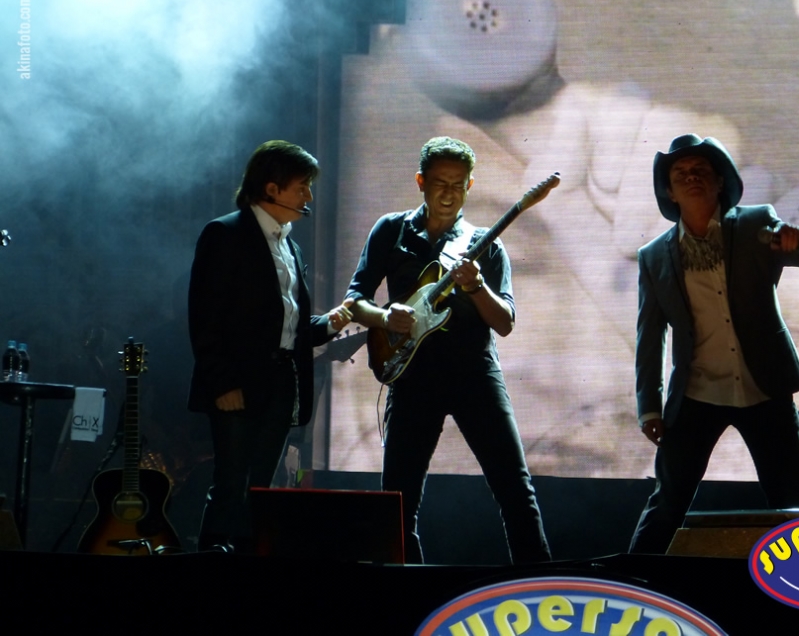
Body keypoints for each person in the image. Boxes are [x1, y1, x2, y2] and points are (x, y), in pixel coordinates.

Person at [345, 136, 551, 564]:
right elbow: (355, 300)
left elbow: (505, 322)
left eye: (458, 185)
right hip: (412, 378)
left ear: (470, 186)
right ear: (420, 181)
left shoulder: (485, 244)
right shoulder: (391, 230)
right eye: (440, 182)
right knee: (398, 502)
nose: (449, 193)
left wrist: (476, 286)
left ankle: (540, 585)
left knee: (516, 491)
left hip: (475, 375)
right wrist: (384, 317)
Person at [630, 134, 799, 554]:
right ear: (669, 192)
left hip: (763, 385)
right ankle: (631, 581)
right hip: (697, 392)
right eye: (680, 173)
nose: (692, 177)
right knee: (668, 503)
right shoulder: (654, 256)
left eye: (701, 170)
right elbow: (649, 335)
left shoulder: (755, 223)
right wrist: (649, 406)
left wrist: (798, 240)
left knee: (788, 500)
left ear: (720, 181)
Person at [188, 140, 354, 552]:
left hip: (281, 381)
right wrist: (222, 382)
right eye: (302, 187)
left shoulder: (289, 245)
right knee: (231, 483)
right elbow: (204, 315)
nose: (308, 196)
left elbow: (286, 325)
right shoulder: (225, 233)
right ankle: (209, 562)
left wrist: (329, 323)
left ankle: (247, 563)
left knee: (260, 487)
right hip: (238, 383)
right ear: (272, 188)